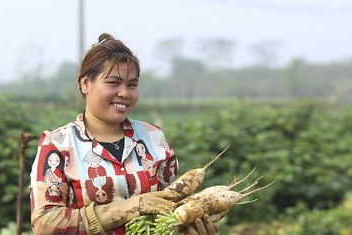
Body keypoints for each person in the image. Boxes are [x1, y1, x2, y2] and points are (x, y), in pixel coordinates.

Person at [29, 33, 219, 235]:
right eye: (113, 83)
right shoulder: (58, 145)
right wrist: (131, 207)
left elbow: (172, 210)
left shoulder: (153, 137)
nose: (125, 93)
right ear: (86, 84)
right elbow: (45, 223)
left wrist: (191, 228)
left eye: (132, 84)